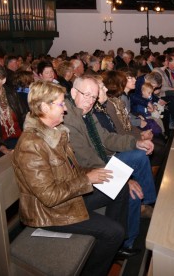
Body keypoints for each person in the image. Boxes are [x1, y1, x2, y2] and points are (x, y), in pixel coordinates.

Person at [13, 81, 130, 275]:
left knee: (119, 187)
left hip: (67, 197)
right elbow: (49, 197)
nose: (66, 108)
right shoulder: (31, 145)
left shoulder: (56, 131)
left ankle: (107, 247)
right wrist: (88, 179)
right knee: (114, 232)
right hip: (49, 213)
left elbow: (71, 170)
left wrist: (93, 173)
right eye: (60, 104)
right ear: (44, 107)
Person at [63, 75, 156, 252]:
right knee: (132, 191)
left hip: (99, 164)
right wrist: (123, 178)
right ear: (74, 92)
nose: (90, 101)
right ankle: (127, 242)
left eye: (93, 97)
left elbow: (106, 138)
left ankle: (149, 202)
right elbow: (86, 159)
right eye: (86, 95)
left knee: (139, 154)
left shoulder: (85, 112)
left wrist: (134, 142)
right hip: (86, 176)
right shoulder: (68, 119)